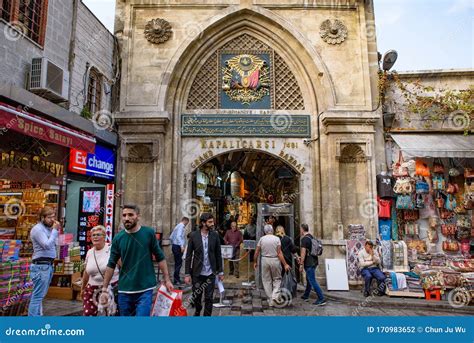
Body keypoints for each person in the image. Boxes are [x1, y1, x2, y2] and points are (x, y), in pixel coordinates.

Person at [100, 205, 173, 316]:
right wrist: (104, 289)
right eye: (124, 215)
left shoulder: (148, 233)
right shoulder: (118, 238)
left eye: (130, 215)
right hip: (124, 289)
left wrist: (167, 280)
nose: (126, 218)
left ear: (138, 216)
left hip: (145, 288)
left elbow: (160, 257)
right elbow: (111, 264)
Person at [185, 213, 224, 316]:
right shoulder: (194, 236)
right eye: (210, 222)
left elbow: (218, 254)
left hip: (210, 273)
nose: (212, 224)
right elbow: (188, 255)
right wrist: (187, 274)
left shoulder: (215, 235)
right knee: (196, 296)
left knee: (209, 298)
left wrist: (220, 271)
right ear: (203, 223)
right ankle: (198, 310)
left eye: (212, 221)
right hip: (197, 273)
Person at [82, 225, 120, 316]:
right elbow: (86, 272)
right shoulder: (89, 252)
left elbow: (123, 266)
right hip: (92, 288)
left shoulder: (112, 249)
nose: (95, 237)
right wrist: (83, 287)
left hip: (111, 288)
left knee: (111, 314)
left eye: (98, 234)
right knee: (88, 314)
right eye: (93, 235)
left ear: (104, 237)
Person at [28, 207, 60, 316]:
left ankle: (38, 316)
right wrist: (55, 231)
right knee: (37, 296)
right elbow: (46, 245)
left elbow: (54, 243)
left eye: (53, 217)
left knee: (40, 295)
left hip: (47, 265)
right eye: (49, 217)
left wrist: (55, 231)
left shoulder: (47, 229)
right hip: (41, 266)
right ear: (42, 218)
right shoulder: (38, 229)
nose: (52, 220)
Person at [254, 225, 290, 307]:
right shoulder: (276, 239)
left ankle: (270, 299)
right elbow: (279, 253)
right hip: (275, 260)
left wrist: (255, 262)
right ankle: (274, 296)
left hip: (265, 260)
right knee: (277, 279)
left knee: (266, 280)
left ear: (265, 231)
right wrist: (285, 264)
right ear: (272, 230)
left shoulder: (262, 239)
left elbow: (256, 252)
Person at [299, 224, 327, 306]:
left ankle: (321, 298)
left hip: (309, 262)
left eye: (300, 229)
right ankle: (306, 295)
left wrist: (301, 264)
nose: (300, 231)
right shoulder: (312, 237)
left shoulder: (304, 239)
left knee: (312, 280)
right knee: (309, 279)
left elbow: (303, 252)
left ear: (302, 229)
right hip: (314, 261)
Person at [170, 217, 189, 284]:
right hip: (178, 247)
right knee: (179, 263)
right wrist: (181, 246)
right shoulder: (181, 226)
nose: (186, 225)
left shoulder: (177, 226)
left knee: (177, 263)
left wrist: (173, 244)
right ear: (186, 221)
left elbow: (171, 237)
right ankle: (176, 280)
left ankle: (176, 279)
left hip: (175, 246)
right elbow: (178, 236)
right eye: (187, 223)